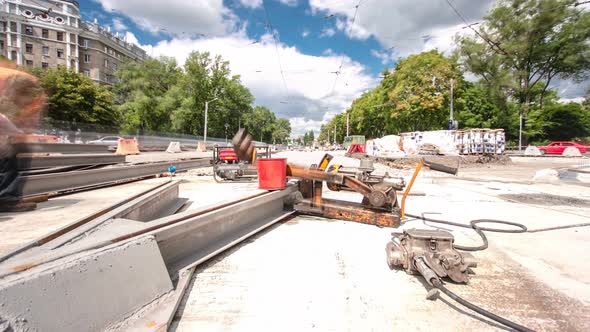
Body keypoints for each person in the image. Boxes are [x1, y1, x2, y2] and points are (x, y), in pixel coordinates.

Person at [0, 64, 46, 211]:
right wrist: (18, 135)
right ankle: (8, 199)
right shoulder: (11, 83)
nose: (23, 103)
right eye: (24, 100)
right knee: (15, 153)